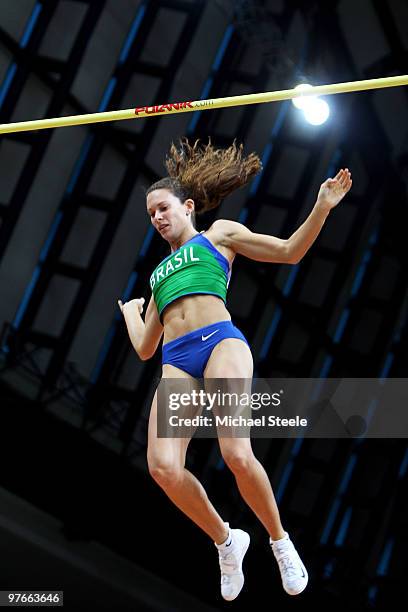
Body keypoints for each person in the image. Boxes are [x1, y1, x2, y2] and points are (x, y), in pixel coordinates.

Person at [118, 138, 352, 601]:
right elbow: (146, 348)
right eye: (151, 215)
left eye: (163, 208)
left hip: (220, 343)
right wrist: (131, 312)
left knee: (237, 455)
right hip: (177, 361)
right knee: (163, 468)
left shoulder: (218, 236)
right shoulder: (158, 274)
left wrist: (322, 207)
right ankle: (227, 540)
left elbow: (288, 251)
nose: (158, 218)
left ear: (186, 206)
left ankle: (280, 541)